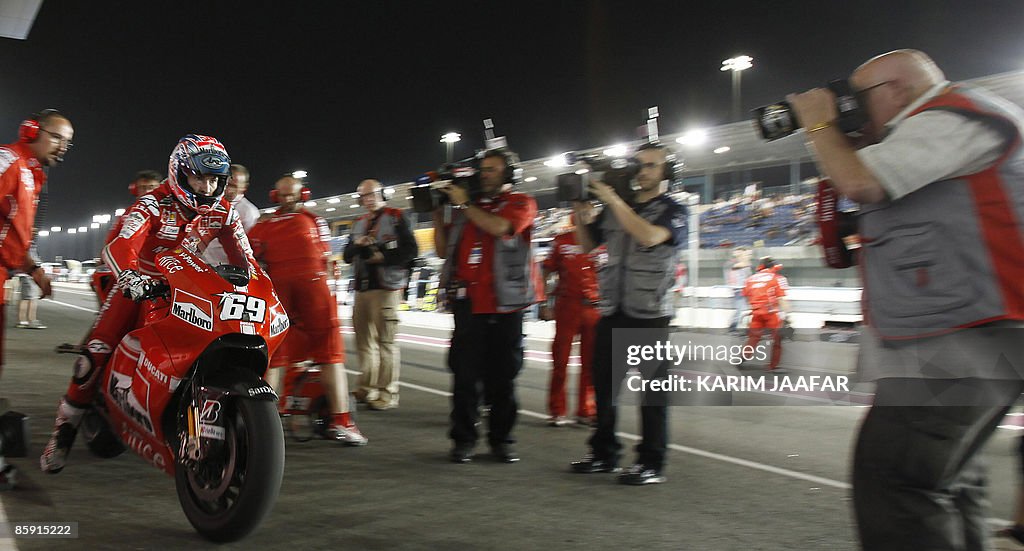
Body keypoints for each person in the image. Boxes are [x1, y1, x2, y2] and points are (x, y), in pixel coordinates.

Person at [788, 49, 1024, 549]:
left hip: (972, 335)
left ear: (898, 88)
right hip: (972, 334)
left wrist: (818, 125)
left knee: (896, 482)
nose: (849, 108)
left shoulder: (951, 115)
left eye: (858, 97)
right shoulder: (941, 130)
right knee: (949, 486)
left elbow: (858, 182)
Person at [40, 134, 259, 473]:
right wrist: (129, 277)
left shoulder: (225, 213)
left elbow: (247, 260)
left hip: (185, 288)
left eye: (215, 179)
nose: (207, 186)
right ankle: (63, 432)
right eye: (200, 176)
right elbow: (119, 244)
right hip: (137, 286)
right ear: (179, 172)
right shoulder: (152, 204)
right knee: (92, 357)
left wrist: (258, 288)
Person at [569, 143, 687, 485]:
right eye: (640, 165)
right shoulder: (616, 210)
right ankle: (603, 453)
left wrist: (614, 200)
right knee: (604, 390)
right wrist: (580, 212)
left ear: (667, 172)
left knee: (652, 395)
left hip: (650, 315)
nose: (643, 171)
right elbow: (589, 246)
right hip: (612, 310)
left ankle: (652, 463)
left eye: (651, 165)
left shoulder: (673, 211)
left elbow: (649, 236)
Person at [432, 148, 540, 464]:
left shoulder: (521, 203)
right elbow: (442, 250)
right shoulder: (468, 209)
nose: (485, 174)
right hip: (469, 305)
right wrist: (438, 214)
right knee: (464, 378)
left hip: (506, 306)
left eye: (492, 169)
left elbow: (502, 229)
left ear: (508, 174)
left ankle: (501, 441)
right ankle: (463, 441)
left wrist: (463, 203)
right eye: (483, 169)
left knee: (503, 379)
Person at [248, 176, 366, 445]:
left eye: (292, 195)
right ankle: (267, 424)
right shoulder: (265, 225)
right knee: (274, 355)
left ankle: (342, 420)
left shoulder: (314, 221)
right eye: (283, 195)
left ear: (302, 194)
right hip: (286, 291)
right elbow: (252, 258)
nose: (287, 199)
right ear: (275, 195)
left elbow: (325, 261)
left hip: (313, 290)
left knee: (330, 353)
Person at [0, 109, 71, 379]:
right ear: (31, 131)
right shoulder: (9, 160)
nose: (62, 148)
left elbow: (13, 234)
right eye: (56, 138)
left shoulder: (32, 173)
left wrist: (34, 269)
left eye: (67, 143)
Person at [343, 179, 418, 411]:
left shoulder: (396, 216)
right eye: (363, 196)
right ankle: (367, 387)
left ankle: (388, 392)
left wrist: (382, 256)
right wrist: (358, 245)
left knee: (386, 342)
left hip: (386, 289)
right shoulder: (358, 222)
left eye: (371, 194)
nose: (367, 199)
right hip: (362, 289)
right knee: (364, 343)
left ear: (382, 194)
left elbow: (411, 251)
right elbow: (346, 255)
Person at [539, 205, 598, 427]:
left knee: (591, 364)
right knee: (560, 361)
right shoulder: (561, 241)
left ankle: (586, 410)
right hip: (567, 306)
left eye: (589, 212)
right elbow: (546, 270)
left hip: (594, 308)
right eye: (581, 211)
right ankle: (557, 410)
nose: (585, 215)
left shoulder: (602, 242)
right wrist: (544, 302)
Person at [93, 170, 163, 305]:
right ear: (135, 190)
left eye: (152, 188)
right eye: (144, 188)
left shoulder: (172, 212)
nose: (148, 192)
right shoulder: (129, 214)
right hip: (134, 272)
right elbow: (113, 241)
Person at [204, 164, 259, 266]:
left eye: (234, 186)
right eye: (227, 184)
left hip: (228, 269)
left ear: (244, 187)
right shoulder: (208, 204)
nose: (228, 189)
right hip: (202, 266)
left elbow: (249, 247)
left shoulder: (248, 212)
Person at [742, 257, 788, 372]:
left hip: (756, 312)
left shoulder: (750, 279)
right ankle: (773, 366)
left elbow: (746, 295)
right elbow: (782, 298)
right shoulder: (777, 278)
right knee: (777, 339)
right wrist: (787, 315)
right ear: (774, 266)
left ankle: (743, 357)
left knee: (753, 337)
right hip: (771, 313)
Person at [723, 247, 751, 333]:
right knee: (740, 309)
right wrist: (746, 256)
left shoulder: (745, 264)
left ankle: (748, 327)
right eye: (740, 253)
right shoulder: (731, 263)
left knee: (746, 308)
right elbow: (742, 265)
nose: (742, 254)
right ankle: (732, 327)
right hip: (737, 290)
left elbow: (747, 276)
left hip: (744, 289)